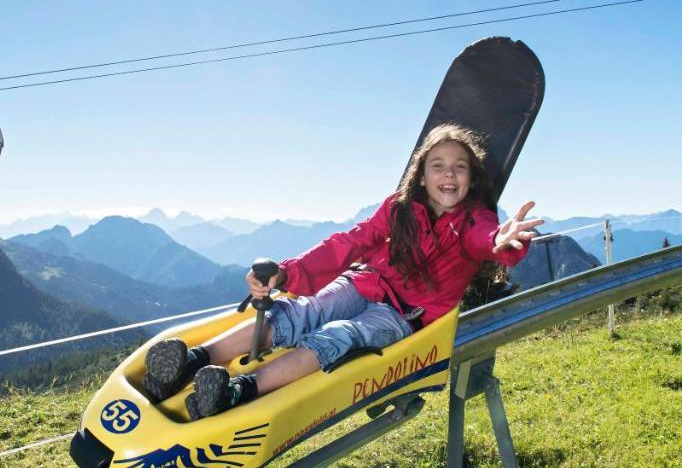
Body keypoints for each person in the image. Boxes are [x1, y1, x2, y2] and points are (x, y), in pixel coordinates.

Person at [140, 123, 543, 419]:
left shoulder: (475, 220)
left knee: (338, 337)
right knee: (302, 314)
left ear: (471, 179)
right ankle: (192, 361)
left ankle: (237, 392)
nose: (448, 174)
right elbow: (351, 242)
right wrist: (285, 273)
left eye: (459, 167)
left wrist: (503, 240)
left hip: (404, 315)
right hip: (366, 282)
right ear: (422, 174)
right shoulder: (400, 207)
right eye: (438, 165)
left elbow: (486, 239)